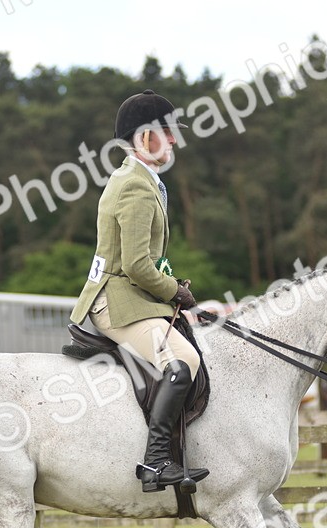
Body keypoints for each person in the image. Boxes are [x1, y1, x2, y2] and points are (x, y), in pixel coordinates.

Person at [70, 90, 208, 493]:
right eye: (167, 132)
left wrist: (170, 289)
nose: (175, 140)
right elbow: (135, 265)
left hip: (132, 296)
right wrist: (174, 292)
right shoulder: (136, 186)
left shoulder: (142, 180)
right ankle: (156, 461)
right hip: (115, 302)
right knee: (183, 360)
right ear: (146, 137)